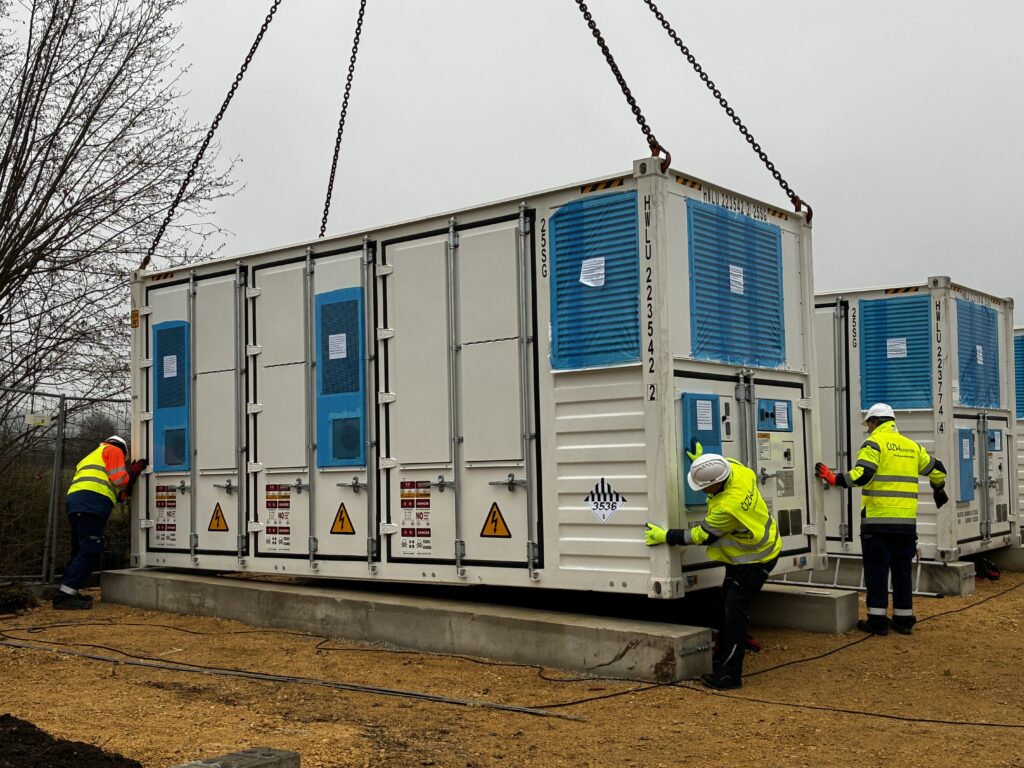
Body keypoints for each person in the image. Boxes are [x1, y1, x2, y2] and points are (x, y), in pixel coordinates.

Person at [644, 450, 781, 690]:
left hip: (754, 560)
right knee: (730, 604)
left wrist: (665, 536)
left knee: (735, 611)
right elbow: (720, 463)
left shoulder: (728, 507)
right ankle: (729, 646)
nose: (700, 491)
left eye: (703, 487)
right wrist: (701, 461)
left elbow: (700, 536)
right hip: (758, 549)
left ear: (717, 483)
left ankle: (729, 674)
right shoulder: (735, 468)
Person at [815, 403, 947, 636]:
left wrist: (833, 479)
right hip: (906, 525)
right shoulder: (912, 447)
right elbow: (938, 470)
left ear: (875, 421)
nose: (868, 429)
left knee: (877, 572)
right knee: (902, 572)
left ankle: (877, 622)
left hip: (877, 523)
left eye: (868, 425)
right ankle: (904, 621)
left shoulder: (873, 443)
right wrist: (938, 489)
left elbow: (862, 475)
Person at [53, 436, 147, 610]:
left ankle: (68, 591)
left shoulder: (92, 456)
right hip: (91, 504)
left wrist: (130, 481)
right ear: (124, 450)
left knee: (80, 549)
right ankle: (63, 597)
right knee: (90, 549)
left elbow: (118, 494)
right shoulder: (114, 450)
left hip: (78, 503)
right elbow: (119, 480)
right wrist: (133, 472)